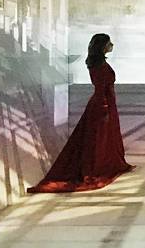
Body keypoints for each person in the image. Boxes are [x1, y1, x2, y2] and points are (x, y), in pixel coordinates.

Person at [27, 33, 135, 193]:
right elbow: (100, 89)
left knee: (99, 138)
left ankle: (102, 163)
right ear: (102, 46)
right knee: (99, 138)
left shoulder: (98, 63)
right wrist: (104, 109)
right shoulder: (99, 66)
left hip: (103, 103)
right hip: (102, 104)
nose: (111, 45)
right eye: (109, 43)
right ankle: (97, 166)